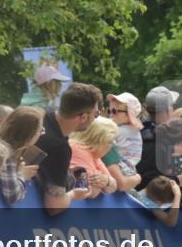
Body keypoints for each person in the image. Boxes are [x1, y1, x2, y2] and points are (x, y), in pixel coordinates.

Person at [35, 82, 103, 216]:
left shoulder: (43, 115)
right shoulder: (59, 148)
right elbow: (54, 206)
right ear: (83, 117)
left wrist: (63, 171)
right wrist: (74, 195)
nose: (95, 118)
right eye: (96, 114)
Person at [136, 86, 179, 188]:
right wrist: (178, 180)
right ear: (169, 110)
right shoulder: (169, 140)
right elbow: (158, 181)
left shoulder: (136, 133)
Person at [68, 117, 119, 198]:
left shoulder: (94, 154)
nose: (112, 146)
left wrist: (107, 181)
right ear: (98, 140)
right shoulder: (77, 149)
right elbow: (88, 191)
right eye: (110, 141)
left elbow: (114, 186)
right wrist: (104, 183)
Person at [107, 92, 144, 167]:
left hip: (117, 169)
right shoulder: (136, 131)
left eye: (114, 111)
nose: (110, 114)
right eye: (109, 111)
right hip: (132, 169)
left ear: (129, 114)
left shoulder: (116, 131)